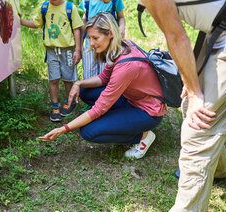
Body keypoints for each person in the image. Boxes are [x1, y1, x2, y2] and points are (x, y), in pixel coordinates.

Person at [75, 0, 225, 211]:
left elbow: (176, 37)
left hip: (220, 37)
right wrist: (191, 81)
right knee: (197, 110)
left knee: (197, 127)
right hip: (216, 32)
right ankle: (220, 169)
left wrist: (194, 90)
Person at [39, 12, 167, 160]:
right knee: (85, 91)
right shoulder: (122, 46)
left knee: (89, 131)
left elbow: (99, 109)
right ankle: (118, 120)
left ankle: (143, 136)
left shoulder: (125, 67)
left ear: (110, 33)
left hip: (148, 112)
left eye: (95, 38)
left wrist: (63, 129)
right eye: (90, 38)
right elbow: (103, 78)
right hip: (132, 99)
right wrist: (78, 83)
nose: (91, 43)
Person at [20, 0, 83, 122]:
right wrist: (21, 21)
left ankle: (69, 103)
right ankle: (54, 105)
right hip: (52, 51)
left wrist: (78, 49)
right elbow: (37, 24)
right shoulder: (44, 8)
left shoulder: (70, 8)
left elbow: (77, 29)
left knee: (68, 79)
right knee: (53, 79)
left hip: (68, 50)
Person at [79, 0, 126, 79]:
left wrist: (122, 28)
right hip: (90, 44)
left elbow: (121, 17)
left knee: (106, 75)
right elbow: (84, 19)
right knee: (88, 75)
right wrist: (80, 44)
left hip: (107, 45)